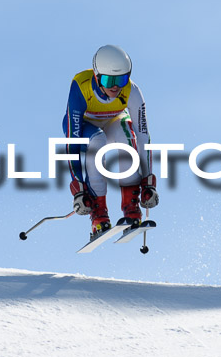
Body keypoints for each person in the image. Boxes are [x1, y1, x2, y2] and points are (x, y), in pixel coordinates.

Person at [63, 45, 159, 239]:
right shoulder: (81, 87)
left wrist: (148, 181)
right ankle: (98, 212)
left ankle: (131, 207)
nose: (115, 87)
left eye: (122, 79)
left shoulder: (132, 91)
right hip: (84, 126)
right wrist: (78, 188)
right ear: (97, 77)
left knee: (127, 135)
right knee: (97, 141)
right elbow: (72, 143)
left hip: (113, 120)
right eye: (109, 80)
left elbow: (143, 136)